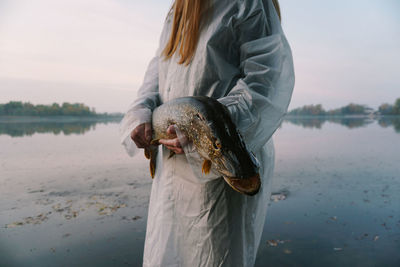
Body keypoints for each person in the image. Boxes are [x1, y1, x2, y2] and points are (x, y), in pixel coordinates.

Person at [120, 0, 294, 266]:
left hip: (222, 176)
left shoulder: (249, 3)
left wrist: (201, 132)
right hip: (171, 173)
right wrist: (140, 117)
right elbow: (154, 84)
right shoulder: (176, 14)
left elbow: (266, 80)